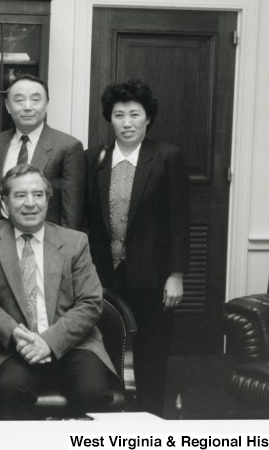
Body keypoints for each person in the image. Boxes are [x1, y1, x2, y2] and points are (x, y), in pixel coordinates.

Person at [0, 164, 117, 420]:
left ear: (48, 200)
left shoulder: (74, 241)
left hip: (75, 345)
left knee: (93, 392)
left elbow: (91, 301)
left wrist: (48, 342)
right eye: (20, 195)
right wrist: (14, 332)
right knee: (8, 391)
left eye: (38, 195)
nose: (30, 203)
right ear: (4, 202)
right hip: (19, 347)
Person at [83, 78, 190, 417]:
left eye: (134, 114)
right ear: (109, 119)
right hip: (105, 276)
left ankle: (150, 422)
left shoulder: (167, 157)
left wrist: (176, 274)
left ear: (148, 118)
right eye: (118, 115)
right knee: (107, 350)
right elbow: (87, 220)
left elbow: (179, 220)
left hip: (153, 276)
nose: (126, 123)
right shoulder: (94, 159)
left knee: (151, 355)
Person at [0, 74, 85, 230]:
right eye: (19, 100)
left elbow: (71, 213)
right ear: (7, 106)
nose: (27, 107)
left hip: (46, 241)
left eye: (35, 100)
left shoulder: (68, 147)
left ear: (46, 105)